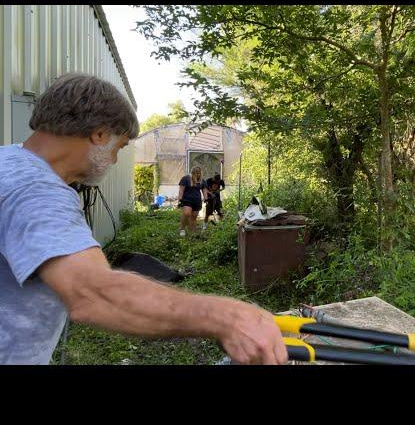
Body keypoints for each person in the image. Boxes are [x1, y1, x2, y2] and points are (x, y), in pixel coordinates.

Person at [0, 73, 288, 365]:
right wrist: (228, 317)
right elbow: (93, 293)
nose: (113, 159)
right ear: (99, 134)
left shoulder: (8, 162)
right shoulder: (36, 189)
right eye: (120, 146)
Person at [178, 166, 206, 236]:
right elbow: (181, 190)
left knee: (194, 216)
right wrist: (180, 199)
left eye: (199, 173)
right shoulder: (185, 179)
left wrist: (206, 198)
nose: (198, 174)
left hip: (197, 200)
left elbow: (204, 190)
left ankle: (192, 232)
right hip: (187, 199)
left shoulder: (202, 180)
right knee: (187, 213)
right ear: (193, 173)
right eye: (196, 173)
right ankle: (182, 229)